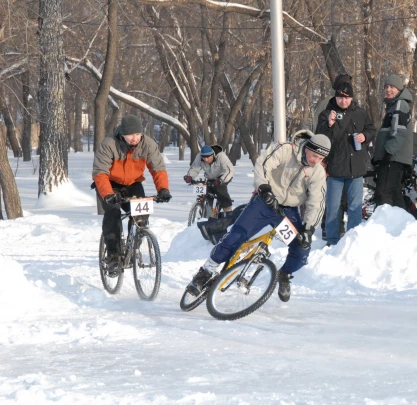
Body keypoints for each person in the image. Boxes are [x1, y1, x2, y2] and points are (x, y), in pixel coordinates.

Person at [186, 133, 331, 302]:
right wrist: (263, 187)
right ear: (307, 148)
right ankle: (205, 273)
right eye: (314, 156)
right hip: (264, 202)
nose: (316, 160)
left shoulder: (318, 172)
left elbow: (317, 201)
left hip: (287, 212)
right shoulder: (286, 150)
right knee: (236, 236)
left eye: (321, 158)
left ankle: (284, 274)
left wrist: (309, 228)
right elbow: (263, 164)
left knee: (302, 249)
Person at [92, 114, 171, 272]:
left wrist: (163, 189)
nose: (134, 138)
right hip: (109, 184)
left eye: (137, 135)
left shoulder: (148, 144)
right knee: (113, 214)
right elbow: (100, 172)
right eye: (130, 135)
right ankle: (113, 254)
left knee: (141, 216)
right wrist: (108, 194)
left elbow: (158, 169)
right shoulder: (109, 144)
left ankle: (134, 245)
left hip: (133, 184)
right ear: (122, 134)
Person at [316, 81, 376, 245]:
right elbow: (319, 138)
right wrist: (329, 125)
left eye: (347, 98)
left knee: (355, 208)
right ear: (335, 97)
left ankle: (352, 242)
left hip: (356, 168)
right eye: (341, 98)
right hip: (335, 168)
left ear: (352, 98)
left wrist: (365, 136)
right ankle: (333, 241)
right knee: (333, 207)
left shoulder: (360, 113)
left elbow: (371, 129)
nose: (344, 101)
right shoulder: (326, 114)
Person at [372, 74, 416, 209]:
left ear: (399, 89)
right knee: (395, 194)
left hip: (393, 158)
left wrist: (388, 152)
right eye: (386, 87)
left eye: (392, 87)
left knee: (383, 193)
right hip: (394, 158)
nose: (388, 90)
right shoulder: (394, 105)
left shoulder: (399, 105)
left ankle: (384, 224)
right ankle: (403, 224)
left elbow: (399, 132)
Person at [183, 144, 235, 212]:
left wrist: (221, 180)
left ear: (212, 155)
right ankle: (209, 212)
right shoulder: (199, 156)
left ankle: (228, 210)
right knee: (207, 193)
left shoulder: (221, 156)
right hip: (210, 177)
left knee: (221, 191)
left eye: (208, 157)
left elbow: (229, 170)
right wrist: (189, 176)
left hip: (223, 176)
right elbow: (195, 168)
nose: (206, 159)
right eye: (203, 157)